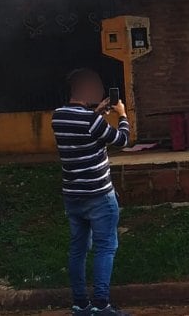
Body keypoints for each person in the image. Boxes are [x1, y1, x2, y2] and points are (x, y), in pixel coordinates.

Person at [52, 68, 132, 316]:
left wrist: (95, 113)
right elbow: (122, 140)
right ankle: (101, 304)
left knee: (77, 249)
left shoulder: (58, 117)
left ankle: (80, 305)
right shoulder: (91, 121)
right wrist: (122, 115)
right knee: (105, 247)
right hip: (98, 195)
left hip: (72, 195)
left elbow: (82, 131)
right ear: (85, 90)